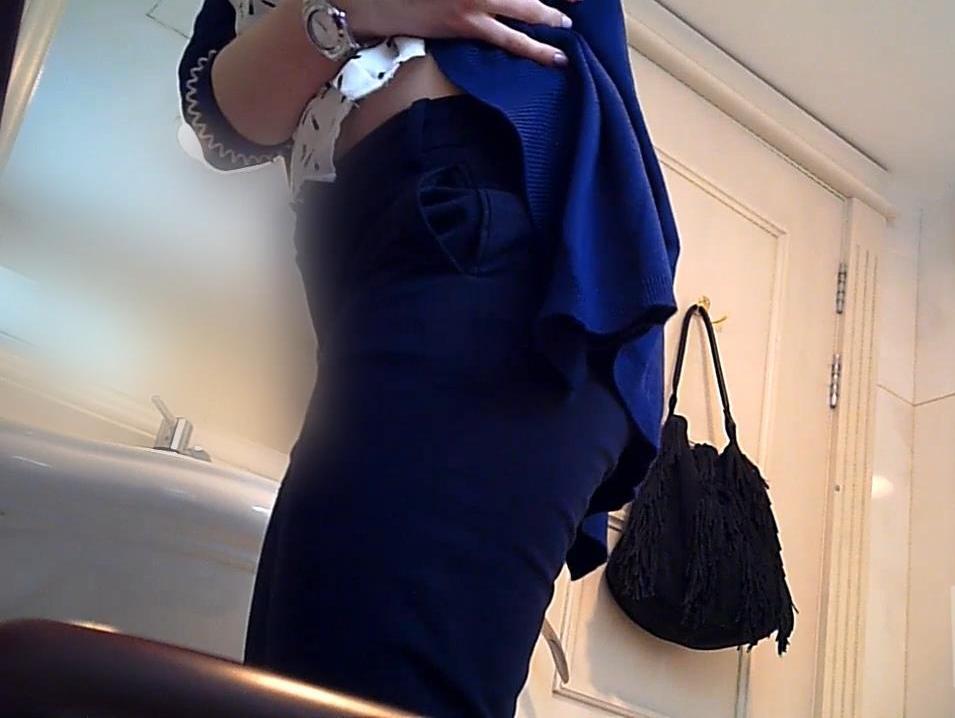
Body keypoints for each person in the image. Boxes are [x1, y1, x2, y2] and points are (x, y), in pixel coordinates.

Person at [178, 1, 680, 716]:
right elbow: (228, 122)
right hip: (380, 272)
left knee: (341, 690)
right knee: (306, 679)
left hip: (492, 248)